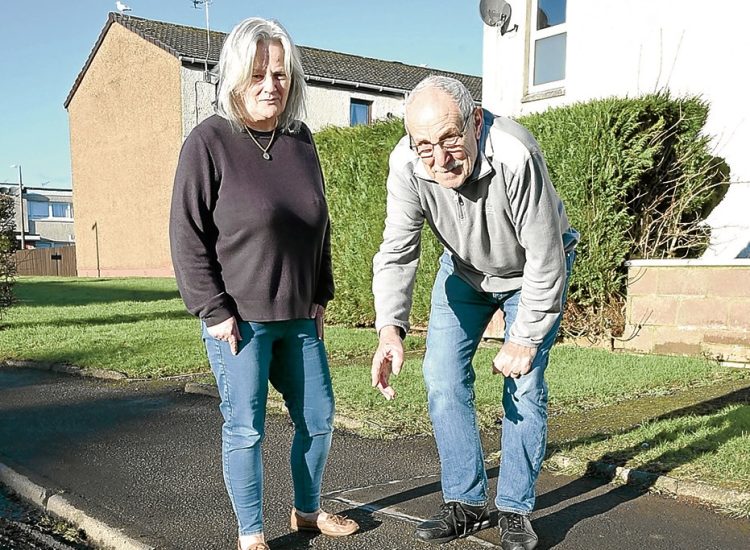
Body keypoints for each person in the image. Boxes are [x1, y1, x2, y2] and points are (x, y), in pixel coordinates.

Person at [169, 17, 358, 550]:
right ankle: (251, 534)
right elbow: (187, 233)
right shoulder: (209, 141)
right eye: (258, 73)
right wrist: (212, 308)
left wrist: (321, 293)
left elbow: (317, 224)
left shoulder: (300, 141)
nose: (270, 84)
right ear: (233, 76)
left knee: (318, 419)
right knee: (246, 429)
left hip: (300, 315)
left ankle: (306, 511)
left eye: (280, 73)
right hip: (240, 321)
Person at [371, 75, 578, 550]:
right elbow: (397, 251)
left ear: (475, 122)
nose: (440, 160)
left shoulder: (515, 154)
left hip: (530, 271)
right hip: (465, 272)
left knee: (523, 384)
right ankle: (465, 503)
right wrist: (389, 329)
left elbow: (547, 259)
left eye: (450, 139)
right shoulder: (407, 165)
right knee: (441, 375)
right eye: (425, 145)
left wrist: (524, 338)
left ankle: (514, 509)